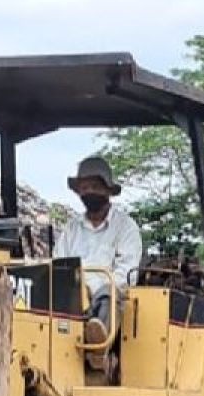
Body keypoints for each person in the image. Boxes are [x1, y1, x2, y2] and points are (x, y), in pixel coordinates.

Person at [53, 155, 142, 371]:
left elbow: (126, 274)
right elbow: (58, 265)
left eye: (94, 186)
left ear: (108, 190)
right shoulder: (71, 229)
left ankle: (99, 347)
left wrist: (95, 291)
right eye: (84, 187)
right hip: (75, 299)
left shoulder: (125, 227)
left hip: (107, 299)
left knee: (110, 293)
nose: (89, 192)